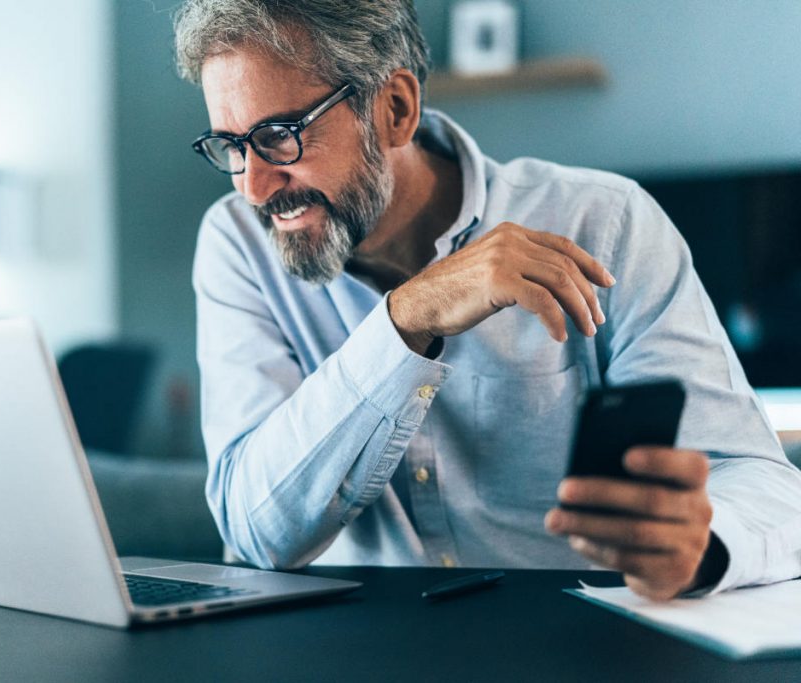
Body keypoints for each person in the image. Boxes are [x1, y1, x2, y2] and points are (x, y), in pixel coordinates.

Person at [174, 0, 801, 600]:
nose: (253, 188)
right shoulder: (238, 246)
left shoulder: (605, 224)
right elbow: (256, 534)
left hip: (578, 646)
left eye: (280, 136)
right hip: (356, 652)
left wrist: (702, 547)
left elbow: (766, 485)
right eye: (230, 146)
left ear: (394, 108)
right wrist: (406, 318)